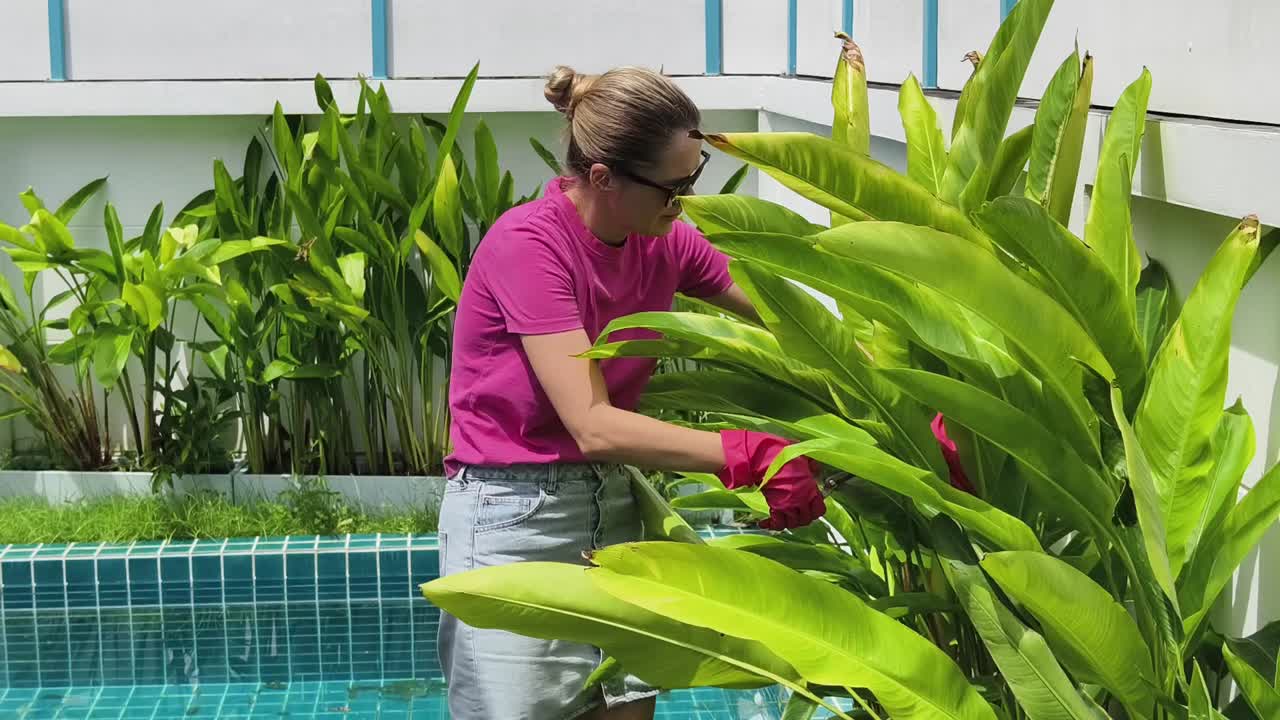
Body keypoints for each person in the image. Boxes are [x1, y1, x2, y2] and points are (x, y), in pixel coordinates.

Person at [435, 64, 827, 720]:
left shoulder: (664, 242)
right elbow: (592, 423)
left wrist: (901, 390)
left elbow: (792, 321)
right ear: (602, 178)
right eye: (674, 189)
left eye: (693, 179)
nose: (685, 203)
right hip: (515, 520)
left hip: (614, 507)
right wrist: (749, 456)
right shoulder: (529, 247)